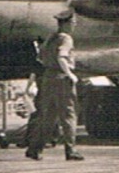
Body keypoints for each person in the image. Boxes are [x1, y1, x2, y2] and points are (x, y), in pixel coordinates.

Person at [26, 10, 84, 161]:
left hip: (47, 79)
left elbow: (40, 58)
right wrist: (70, 74)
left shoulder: (50, 38)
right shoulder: (66, 39)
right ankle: (71, 150)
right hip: (62, 79)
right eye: (73, 23)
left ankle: (34, 149)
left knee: (48, 117)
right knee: (69, 116)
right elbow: (61, 57)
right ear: (66, 24)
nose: (74, 25)